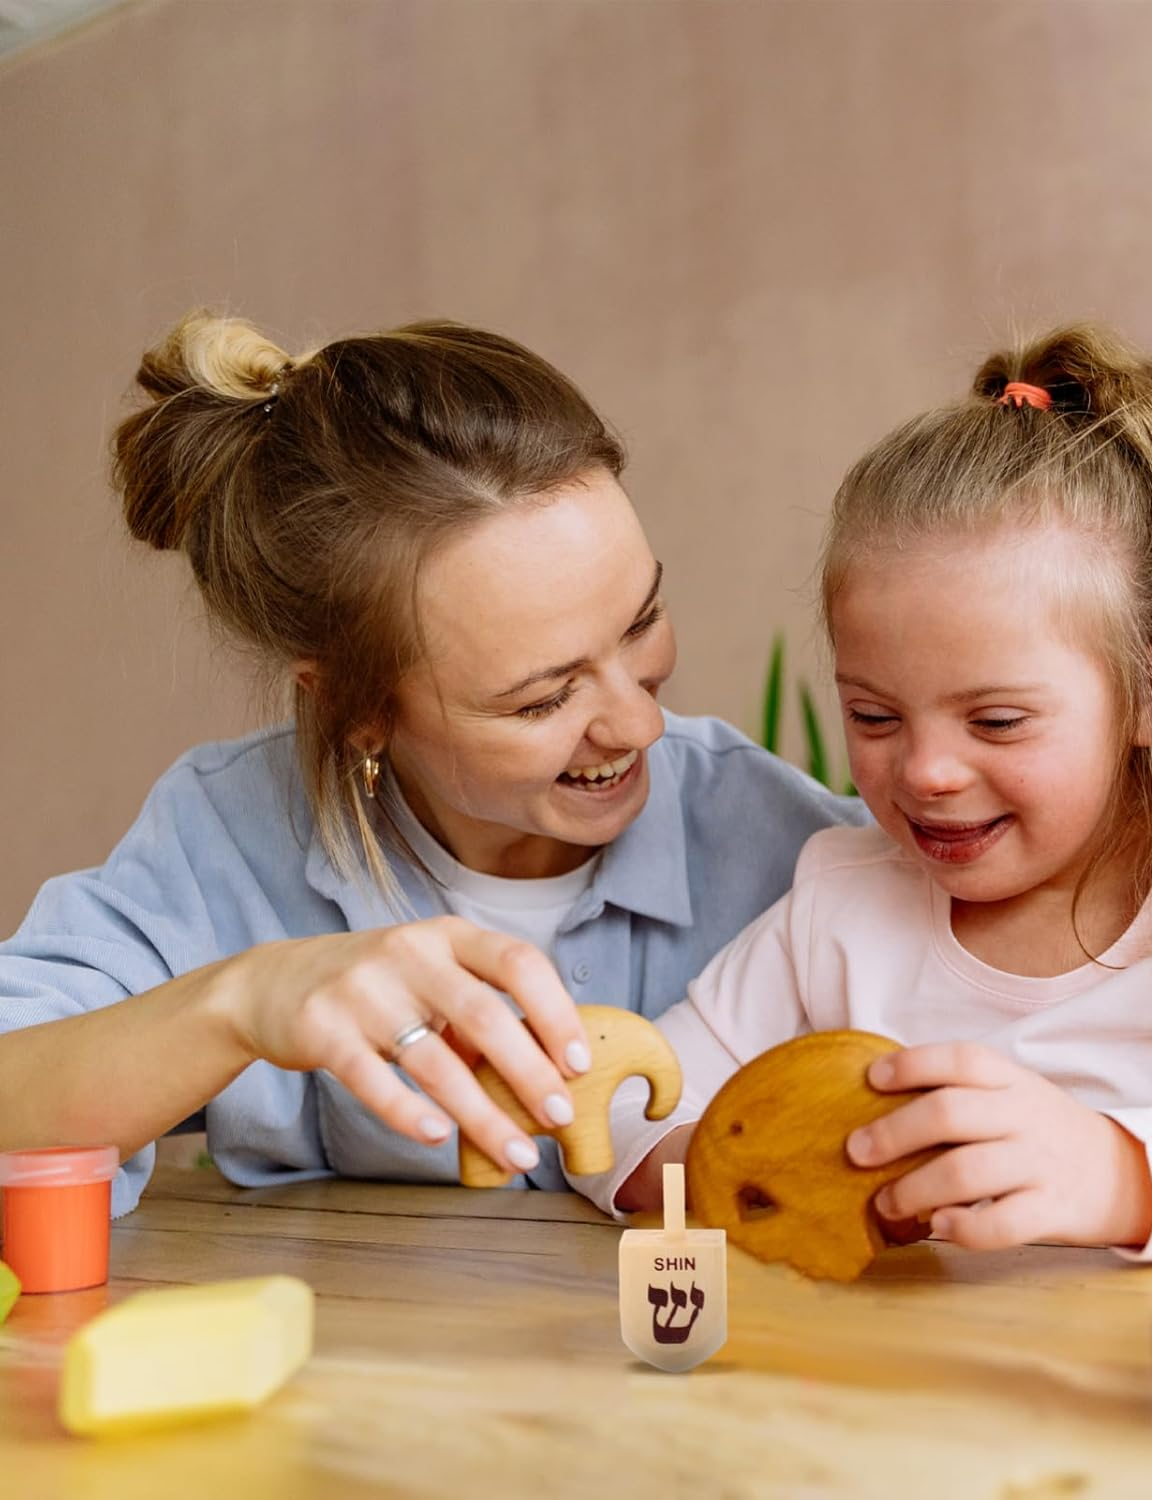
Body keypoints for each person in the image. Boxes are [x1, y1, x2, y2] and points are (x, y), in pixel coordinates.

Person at [584, 324, 1152, 1262]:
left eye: (997, 723)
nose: (926, 772)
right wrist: (767, 1164)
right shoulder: (843, 898)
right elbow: (626, 1102)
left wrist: (1119, 1173)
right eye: (874, 717)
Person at [0, 312, 864, 1216]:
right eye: (544, 698)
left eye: (642, 621)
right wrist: (243, 1003)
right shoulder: (226, 843)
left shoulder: (795, 853)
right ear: (356, 709)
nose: (641, 723)